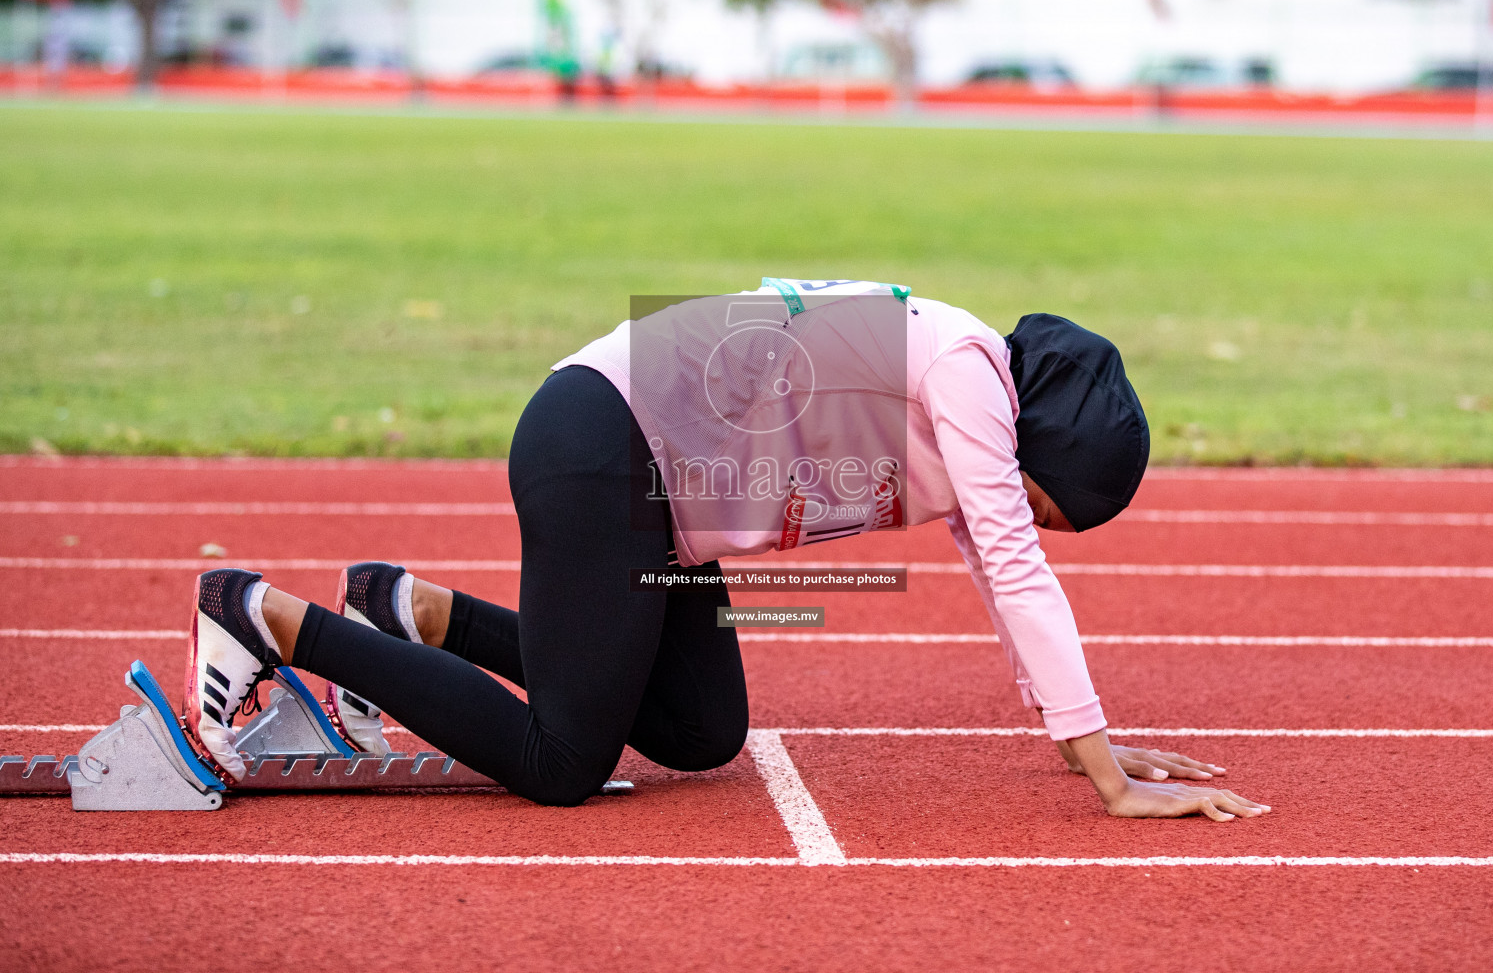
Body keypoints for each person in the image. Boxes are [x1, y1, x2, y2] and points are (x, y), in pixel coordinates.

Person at [184, 280, 1268, 821]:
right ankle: (266, 617)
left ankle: (409, 609)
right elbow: (1018, 568)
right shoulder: (969, 375)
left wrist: (1089, 741)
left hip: (668, 489)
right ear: (1040, 449)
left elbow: (1001, 572)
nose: (1024, 524)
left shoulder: (968, 373)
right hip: (602, 444)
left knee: (703, 732)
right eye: (1041, 504)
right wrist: (1110, 782)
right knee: (566, 761)